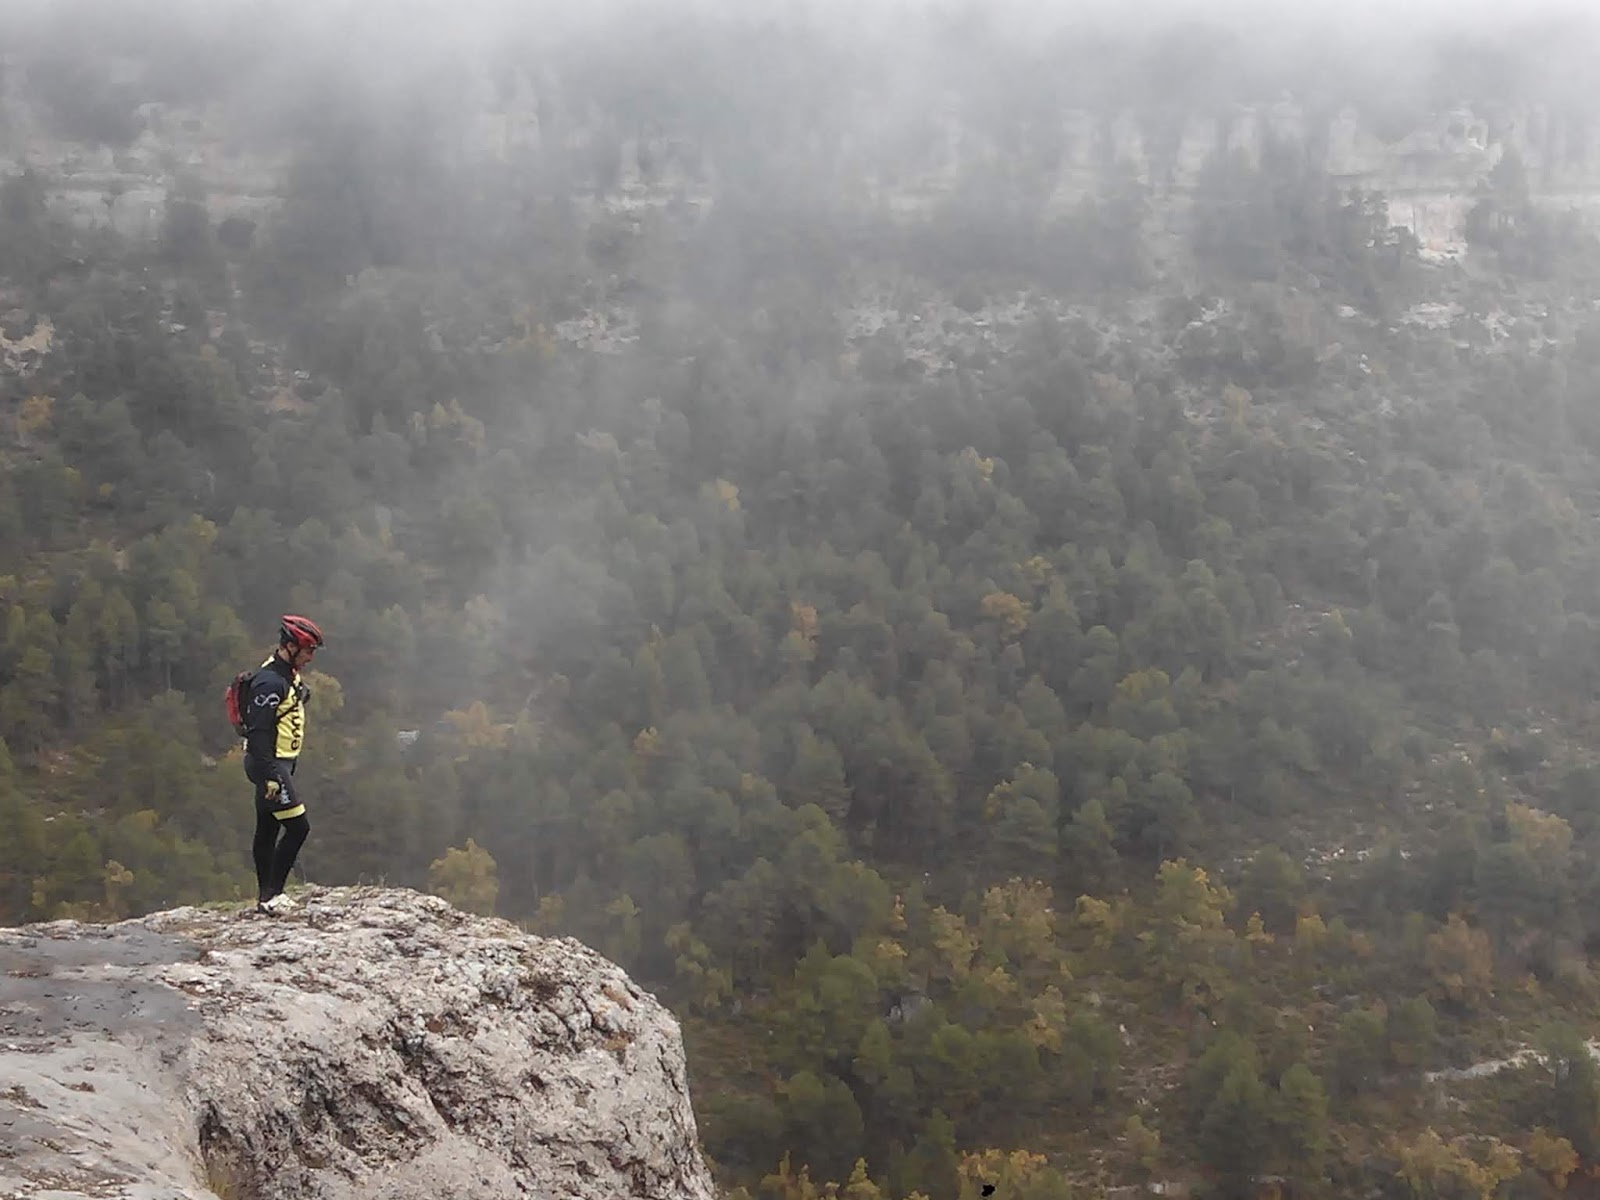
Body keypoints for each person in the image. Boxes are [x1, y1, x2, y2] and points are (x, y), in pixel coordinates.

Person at [243, 614, 323, 914]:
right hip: (269, 764)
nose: (311, 658)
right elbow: (259, 732)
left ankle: (265, 897)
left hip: (277, 764)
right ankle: (274, 894)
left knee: (267, 828)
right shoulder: (270, 682)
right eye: (308, 651)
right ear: (290, 646)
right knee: (298, 827)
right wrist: (271, 776)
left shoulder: (285, 674)